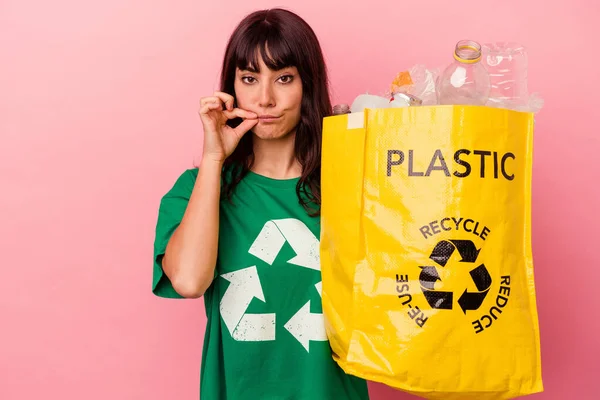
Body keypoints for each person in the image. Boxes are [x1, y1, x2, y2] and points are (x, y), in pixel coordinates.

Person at [151, 7, 370, 400]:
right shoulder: (198, 188)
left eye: (284, 78)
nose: (265, 99)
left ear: (307, 84)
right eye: (250, 79)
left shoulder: (351, 183)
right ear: (232, 87)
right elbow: (187, 281)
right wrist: (214, 160)